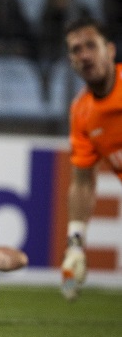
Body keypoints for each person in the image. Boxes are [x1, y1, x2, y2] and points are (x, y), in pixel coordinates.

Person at [62, 17, 122, 300]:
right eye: (76, 50)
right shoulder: (81, 112)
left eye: (91, 46)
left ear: (110, 50)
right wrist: (75, 245)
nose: (84, 55)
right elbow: (83, 182)